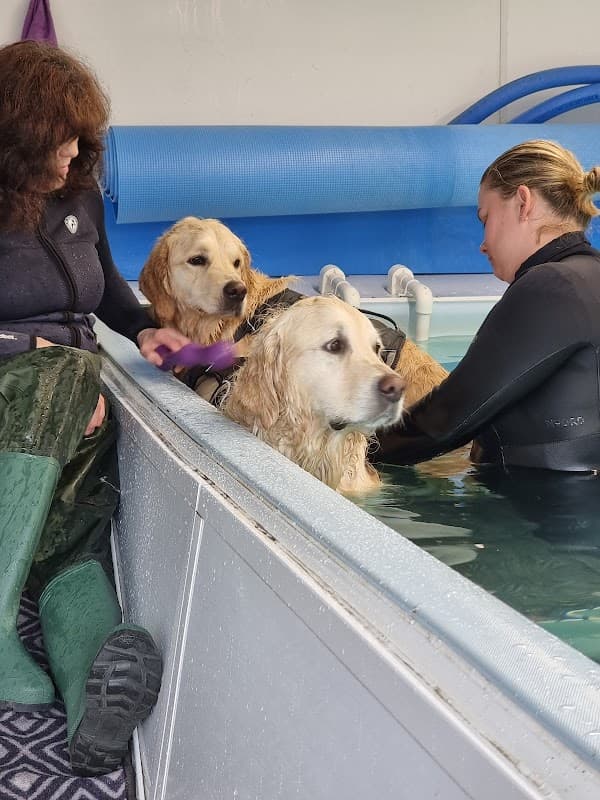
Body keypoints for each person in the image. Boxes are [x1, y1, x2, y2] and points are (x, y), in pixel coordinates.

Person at [0, 40, 192, 777]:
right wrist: (59, 377)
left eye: (82, 134)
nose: (74, 150)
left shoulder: (79, 196)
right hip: (16, 392)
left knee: (72, 552)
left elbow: (104, 288)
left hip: (71, 400)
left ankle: (91, 710)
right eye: (58, 135)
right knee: (70, 371)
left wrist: (147, 329)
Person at [372, 139, 600, 473]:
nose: (482, 244)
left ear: (523, 202)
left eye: (485, 218)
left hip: (538, 513)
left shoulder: (551, 287)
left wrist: (355, 449)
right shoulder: (586, 280)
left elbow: (447, 419)